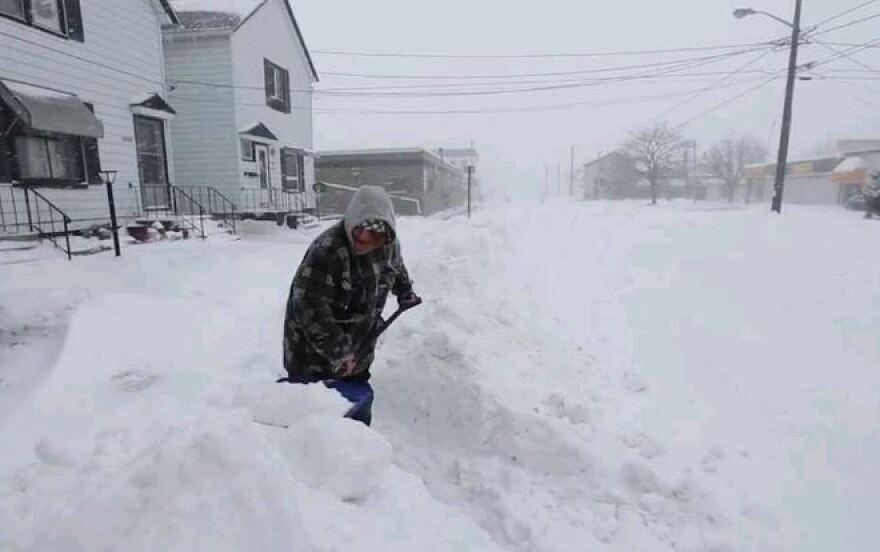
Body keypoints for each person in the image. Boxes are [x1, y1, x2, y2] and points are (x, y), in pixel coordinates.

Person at [281, 186, 420, 425]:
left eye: (373, 234)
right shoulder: (327, 251)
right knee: (318, 423)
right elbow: (310, 309)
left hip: (358, 349)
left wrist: (405, 291)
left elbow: (396, 267)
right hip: (313, 359)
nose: (364, 238)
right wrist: (339, 352)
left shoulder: (389, 246)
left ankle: (360, 441)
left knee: (356, 411)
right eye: (359, 229)